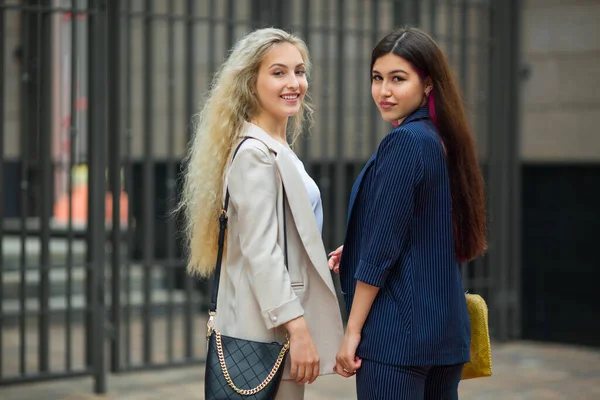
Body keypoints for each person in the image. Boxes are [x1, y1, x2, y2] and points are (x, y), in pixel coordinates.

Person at [179, 28, 344, 400]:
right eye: (278, 72)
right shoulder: (255, 154)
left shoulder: (275, 147)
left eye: (299, 71)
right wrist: (298, 330)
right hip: (271, 333)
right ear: (251, 83)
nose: (294, 83)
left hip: (275, 326)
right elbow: (262, 253)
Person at [328, 27, 487, 399]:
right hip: (444, 337)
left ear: (427, 84)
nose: (384, 91)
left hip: (396, 339)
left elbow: (382, 250)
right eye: (377, 78)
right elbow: (420, 229)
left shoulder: (404, 142)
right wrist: (354, 248)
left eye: (398, 79)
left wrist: (351, 333)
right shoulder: (442, 139)